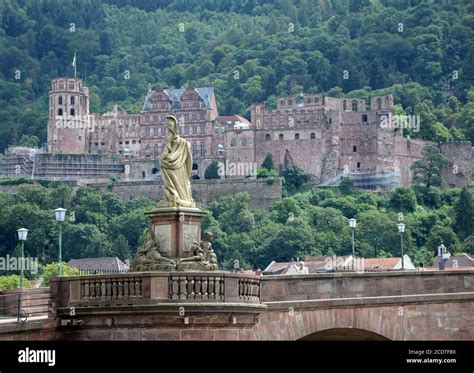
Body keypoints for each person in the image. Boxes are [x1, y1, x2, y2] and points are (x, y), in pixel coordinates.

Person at [158, 115, 195, 208]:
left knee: (173, 183)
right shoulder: (179, 141)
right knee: (179, 185)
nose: (168, 128)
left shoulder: (175, 140)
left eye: (169, 126)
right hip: (179, 166)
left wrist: (162, 159)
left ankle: (175, 197)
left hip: (176, 166)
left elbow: (166, 154)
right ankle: (178, 197)